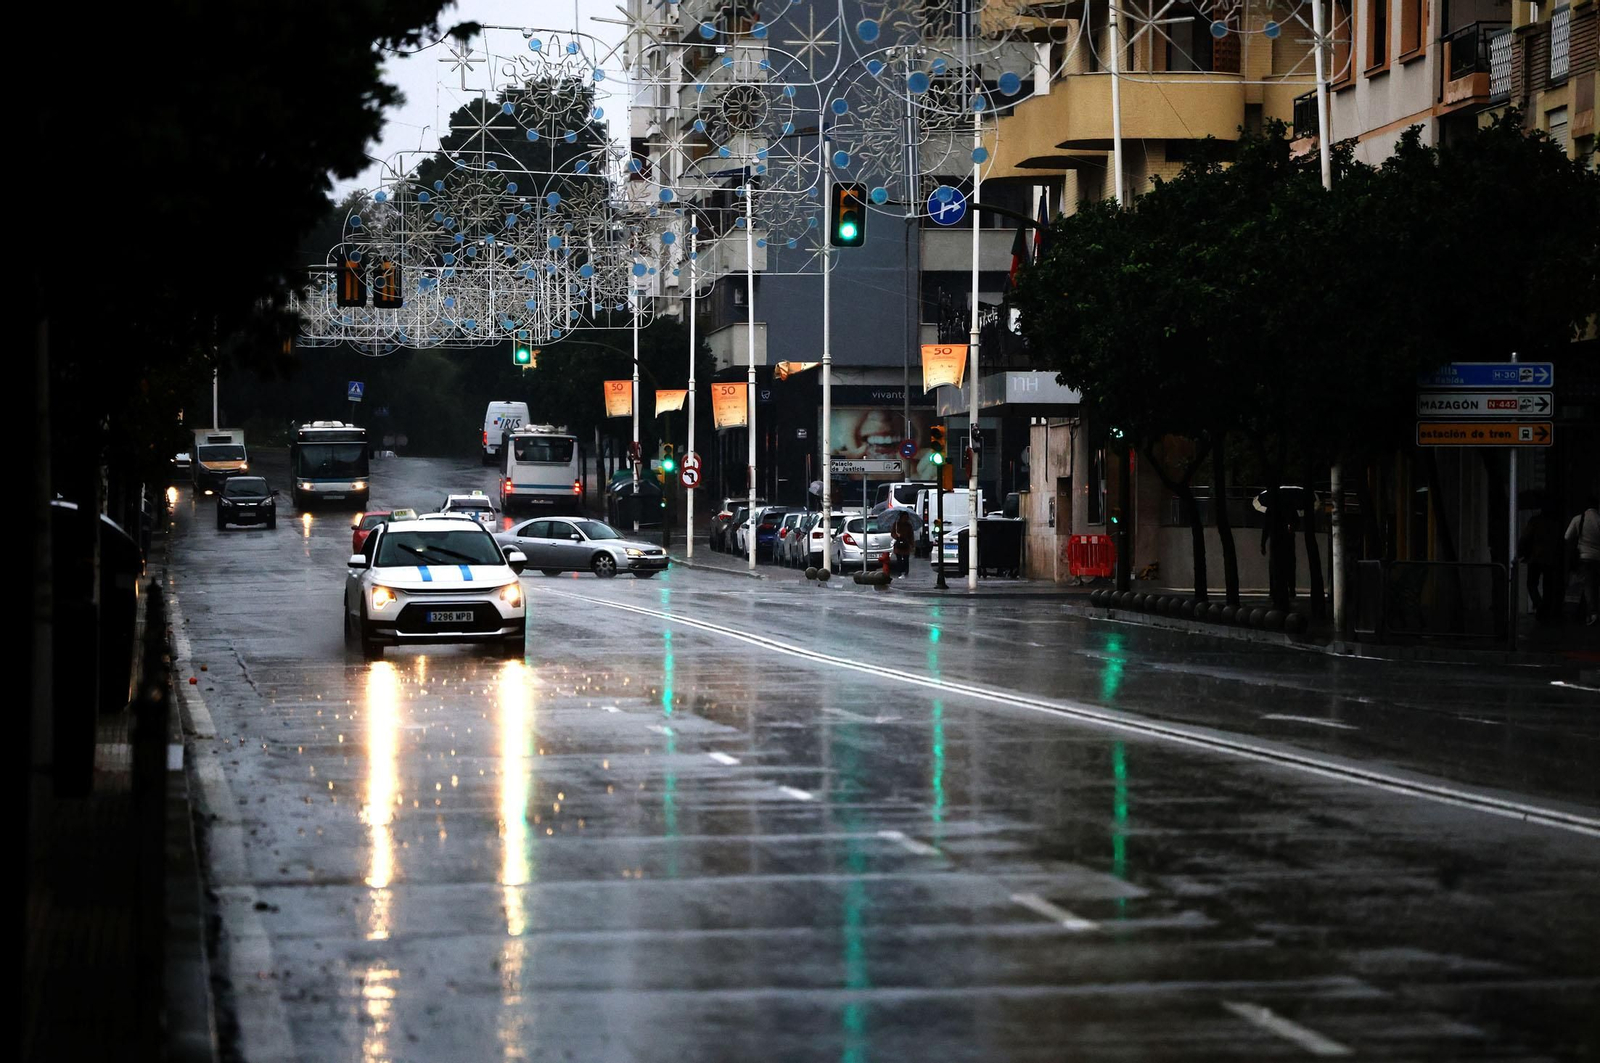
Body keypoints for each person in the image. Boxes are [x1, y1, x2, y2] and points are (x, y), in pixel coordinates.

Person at [1517, 499, 1562, 623]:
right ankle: (1545, 609)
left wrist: (1520, 551)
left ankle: (1539, 605)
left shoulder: (1535, 521)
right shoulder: (1555, 523)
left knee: (1531, 583)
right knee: (1548, 585)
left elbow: (1526, 537)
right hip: (1550, 557)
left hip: (1536, 557)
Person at [1565, 493, 1600, 626]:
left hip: (1584, 557)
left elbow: (1567, 536)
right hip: (1598, 558)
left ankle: (1592, 613)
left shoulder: (1578, 519)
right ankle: (1587, 613)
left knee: (1587, 586)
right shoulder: (1599, 519)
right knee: (1594, 586)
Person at [890, 510, 915, 577]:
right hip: (898, 544)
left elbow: (911, 535)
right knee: (899, 559)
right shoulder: (896, 524)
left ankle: (906, 571)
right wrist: (897, 536)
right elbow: (892, 533)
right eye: (904, 517)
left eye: (906, 517)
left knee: (906, 559)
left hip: (906, 544)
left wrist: (912, 544)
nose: (905, 519)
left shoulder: (909, 525)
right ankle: (899, 571)